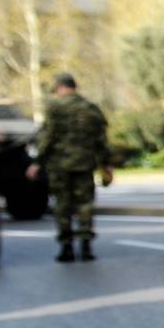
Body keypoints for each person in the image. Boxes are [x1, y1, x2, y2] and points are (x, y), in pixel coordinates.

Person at [28, 72, 111, 261]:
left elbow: (46, 138)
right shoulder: (91, 108)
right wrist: (106, 163)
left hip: (59, 166)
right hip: (84, 164)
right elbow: (101, 139)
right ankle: (86, 246)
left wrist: (37, 162)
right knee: (85, 205)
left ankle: (66, 247)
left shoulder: (54, 108)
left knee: (63, 205)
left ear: (60, 88)